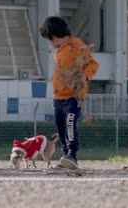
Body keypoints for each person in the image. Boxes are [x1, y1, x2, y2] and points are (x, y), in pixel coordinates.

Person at [39, 16, 99, 169]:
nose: (50, 44)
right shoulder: (58, 51)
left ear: (54, 38)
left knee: (70, 123)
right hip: (58, 97)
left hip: (73, 96)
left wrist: (85, 75)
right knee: (60, 127)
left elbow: (93, 63)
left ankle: (72, 155)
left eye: (49, 40)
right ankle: (66, 157)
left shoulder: (76, 45)